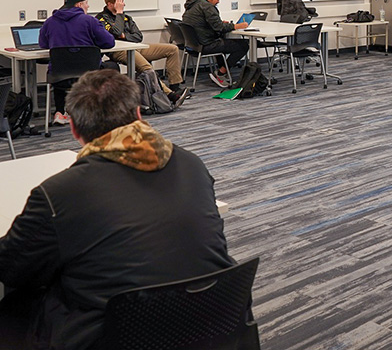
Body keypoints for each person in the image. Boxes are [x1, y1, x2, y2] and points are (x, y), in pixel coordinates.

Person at [0, 70, 234, 350]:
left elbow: (12, 269)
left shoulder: (58, 194)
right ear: (138, 114)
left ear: (73, 128)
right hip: (214, 324)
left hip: (115, 336)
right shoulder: (192, 164)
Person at [95, 0, 188, 107]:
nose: (123, 4)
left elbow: (138, 36)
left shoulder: (126, 17)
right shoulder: (101, 19)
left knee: (172, 49)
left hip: (136, 47)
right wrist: (119, 14)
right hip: (119, 51)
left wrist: (123, 35)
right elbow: (117, 31)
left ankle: (175, 86)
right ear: (109, 4)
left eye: (122, 1)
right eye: (119, 2)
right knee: (146, 67)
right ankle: (170, 95)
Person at [39, 0, 115, 126]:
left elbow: (43, 44)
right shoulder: (90, 21)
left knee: (60, 69)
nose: (88, 7)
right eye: (87, 3)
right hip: (89, 76)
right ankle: (102, 112)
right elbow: (109, 42)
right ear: (79, 4)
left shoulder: (50, 22)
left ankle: (59, 112)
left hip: (59, 77)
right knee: (112, 66)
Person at [182, 0, 249, 87]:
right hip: (205, 44)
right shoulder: (207, 6)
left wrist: (221, 23)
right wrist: (236, 26)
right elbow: (219, 28)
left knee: (222, 39)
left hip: (193, 45)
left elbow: (205, 23)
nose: (218, 1)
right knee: (243, 45)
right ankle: (220, 73)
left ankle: (221, 70)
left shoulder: (192, 5)